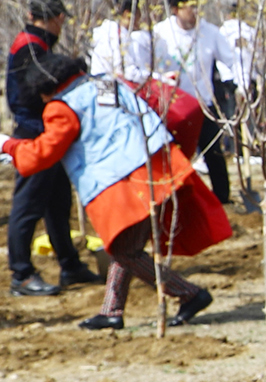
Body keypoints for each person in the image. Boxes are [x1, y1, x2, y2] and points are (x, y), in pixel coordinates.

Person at [2, 41, 230, 330]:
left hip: (125, 182)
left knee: (126, 252)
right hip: (157, 165)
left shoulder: (62, 108)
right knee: (123, 247)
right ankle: (112, 311)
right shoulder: (105, 84)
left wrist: (9, 145)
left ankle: (190, 293)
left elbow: (42, 155)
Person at [7, 0, 98, 297]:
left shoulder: (34, 43)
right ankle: (21, 274)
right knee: (28, 205)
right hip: (36, 132)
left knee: (58, 204)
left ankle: (70, 265)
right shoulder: (31, 48)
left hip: (46, 131)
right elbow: (27, 95)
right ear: (57, 19)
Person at [150, 0, 237, 203]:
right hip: (174, 107)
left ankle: (222, 197)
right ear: (174, 10)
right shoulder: (161, 33)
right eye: (189, 7)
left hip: (203, 104)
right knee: (176, 155)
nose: (194, 11)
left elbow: (231, 61)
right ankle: (177, 198)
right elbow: (149, 68)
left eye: (197, 6)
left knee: (213, 152)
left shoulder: (210, 32)